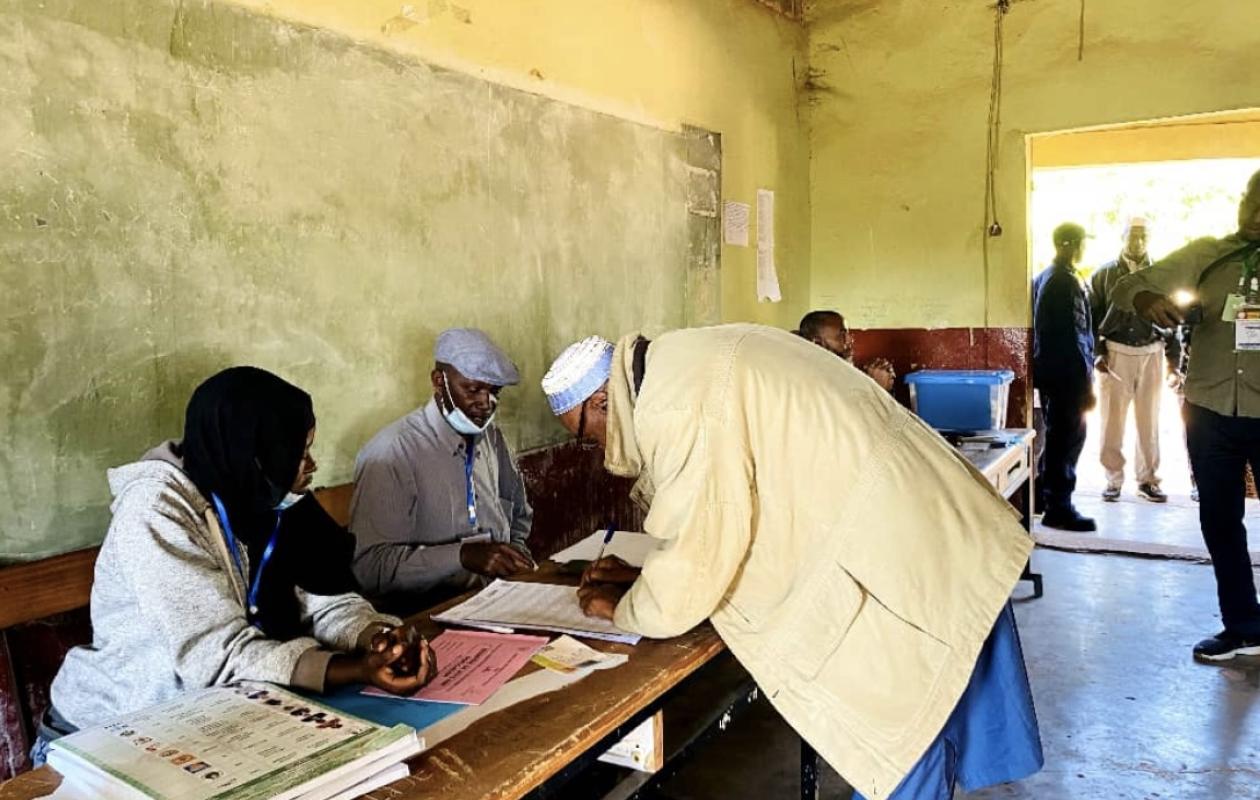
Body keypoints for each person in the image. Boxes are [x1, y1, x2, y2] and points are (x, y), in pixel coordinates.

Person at [540, 328, 1042, 800]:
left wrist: (625, 609)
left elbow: (699, 556)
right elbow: (727, 513)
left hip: (900, 557)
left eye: (587, 434)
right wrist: (650, 574)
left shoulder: (672, 407)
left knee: (900, 729)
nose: (597, 448)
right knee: (929, 710)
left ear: (602, 401)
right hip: (929, 532)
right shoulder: (682, 357)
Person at [36, 367, 436, 766]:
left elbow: (326, 598)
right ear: (255, 452)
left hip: (222, 717)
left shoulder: (267, 492)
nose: (310, 465)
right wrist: (354, 669)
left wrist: (377, 640)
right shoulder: (156, 509)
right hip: (112, 735)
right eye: (296, 452)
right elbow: (216, 656)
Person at [1112, 168, 1260, 664]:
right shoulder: (1206, 254)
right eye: (1249, 198)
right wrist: (1146, 299)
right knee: (1220, 520)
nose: (1253, 209)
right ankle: (1243, 626)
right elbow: (1127, 286)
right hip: (1208, 409)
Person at [351, 328, 533, 613]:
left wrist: (515, 554)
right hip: (425, 615)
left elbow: (519, 515)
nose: (486, 405)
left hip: (497, 600)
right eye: (472, 390)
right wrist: (461, 556)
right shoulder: (393, 452)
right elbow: (371, 570)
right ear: (439, 381)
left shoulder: (492, 439)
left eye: (494, 391)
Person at [1089, 217, 1170, 503]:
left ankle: (1148, 480)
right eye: (1132, 236)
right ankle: (1113, 479)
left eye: (1143, 236)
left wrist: (1174, 360)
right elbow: (1092, 316)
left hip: (1152, 351)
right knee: (1112, 420)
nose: (1137, 242)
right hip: (1115, 352)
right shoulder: (1104, 274)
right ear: (1122, 237)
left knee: (1149, 421)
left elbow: (1173, 317)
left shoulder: (1161, 274)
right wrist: (1098, 353)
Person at [1032, 222, 1097, 532]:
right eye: (1082, 242)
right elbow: (1072, 337)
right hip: (1067, 375)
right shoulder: (1062, 281)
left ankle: (1045, 497)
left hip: (1055, 373)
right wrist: (1084, 381)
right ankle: (1059, 506)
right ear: (1068, 244)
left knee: (1059, 437)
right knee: (1067, 439)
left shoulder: (1049, 277)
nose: (1085, 248)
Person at [797, 309, 896, 392]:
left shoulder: (838, 372)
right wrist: (877, 388)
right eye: (842, 335)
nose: (850, 340)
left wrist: (869, 380)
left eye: (848, 333)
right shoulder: (812, 380)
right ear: (817, 343)